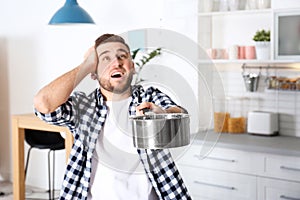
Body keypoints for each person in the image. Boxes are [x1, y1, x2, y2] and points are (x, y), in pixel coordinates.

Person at [34, 33, 191, 200]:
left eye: (122, 56)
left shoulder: (149, 97)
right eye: (105, 59)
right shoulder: (83, 106)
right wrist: (86, 64)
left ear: (132, 66)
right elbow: (44, 103)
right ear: (93, 73)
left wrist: (163, 116)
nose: (116, 63)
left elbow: (179, 114)